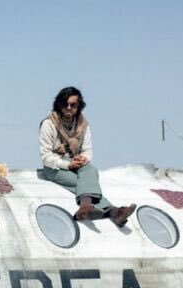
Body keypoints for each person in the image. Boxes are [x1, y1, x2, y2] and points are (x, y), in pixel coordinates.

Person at [39, 86, 135, 225]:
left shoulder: (83, 125)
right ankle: (113, 212)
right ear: (58, 105)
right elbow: (46, 156)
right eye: (65, 104)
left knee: (91, 170)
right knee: (84, 184)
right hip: (55, 168)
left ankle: (85, 208)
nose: (68, 108)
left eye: (73, 105)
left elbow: (88, 150)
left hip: (75, 164)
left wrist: (83, 158)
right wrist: (67, 164)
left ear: (79, 106)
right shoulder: (49, 124)